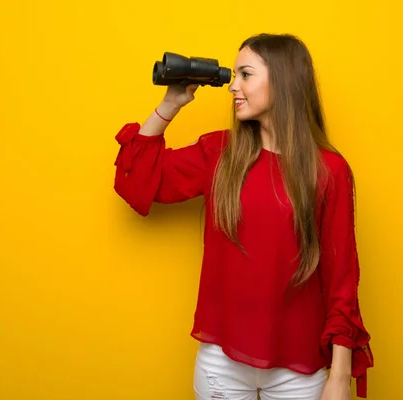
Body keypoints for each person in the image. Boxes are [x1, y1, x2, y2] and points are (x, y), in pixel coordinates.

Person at [113, 33, 374, 400]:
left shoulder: (329, 170)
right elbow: (135, 183)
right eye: (233, 75)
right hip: (221, 364)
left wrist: (340, 375)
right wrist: (169, 104)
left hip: (298, 370)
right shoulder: (220, 153)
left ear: (282, 81)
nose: (233, 86)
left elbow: (342, 279)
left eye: (245, 75)